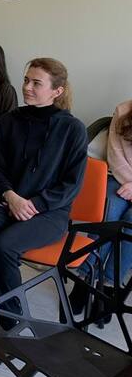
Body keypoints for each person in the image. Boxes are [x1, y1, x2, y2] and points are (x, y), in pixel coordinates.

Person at [0, 58, 86, 368]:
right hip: (7, 200)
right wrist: (10, 196)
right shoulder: (11, 120)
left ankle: (8, 325)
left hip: (49, 212)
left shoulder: (73, 129)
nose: (27, 87)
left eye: (36, 83)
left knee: (3, 246)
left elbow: (71, 185)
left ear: (57, 91)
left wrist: (33, 204)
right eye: (26, 80)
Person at [71, 99, 132, 319]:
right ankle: (85, 279)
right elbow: (115, 156)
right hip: (119, 178)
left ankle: (109, 286)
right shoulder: (123, 110)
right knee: (108, 214)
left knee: (131, 226)